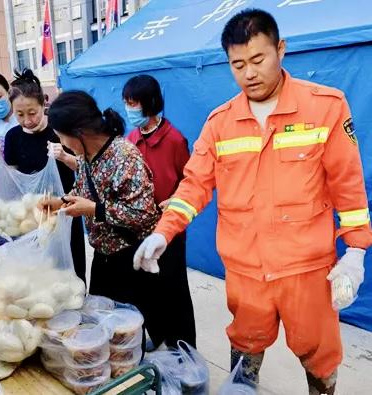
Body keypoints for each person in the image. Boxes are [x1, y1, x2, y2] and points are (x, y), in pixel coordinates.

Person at [133, 9, 372, 395]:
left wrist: (356, 250)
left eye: (258, 60)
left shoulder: (325, 107)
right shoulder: (220, 123)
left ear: (281, 49)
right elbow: (194, 184)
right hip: (245, 271)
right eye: (238, 64)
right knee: (245, 348)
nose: (249, 73)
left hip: (306, 271)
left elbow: (347, 182)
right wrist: (164, 233)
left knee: (320, 357)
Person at [42, 90, 166, 347]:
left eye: (63, 137)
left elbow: (144, 214)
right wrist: (61, 202)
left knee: (126, 331)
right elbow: (85, 190)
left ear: (79, 132)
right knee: (101, 324)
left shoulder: (124, 156)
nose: (63, 143)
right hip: (104, 256)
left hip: (130, 258)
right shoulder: (87, 156)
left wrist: (94, 210)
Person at [123, 74, 195, 349]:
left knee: (173, 288)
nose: (130, 109)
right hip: (140, 227)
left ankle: (185, 348)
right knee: (145, 288)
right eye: (127, 103)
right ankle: (159, 333)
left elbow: (190, 180)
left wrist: (175, 199)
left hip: (169, 227)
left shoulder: (174, 139)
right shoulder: (131, 138)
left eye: (135, 104)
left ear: (151, 104)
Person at [3, 68, 86, 282]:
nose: (27, 120)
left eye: (32, 112)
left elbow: (86, 169)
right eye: (19, 114)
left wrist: (65, 157)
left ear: (43, 105)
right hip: (33, 214)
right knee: (40, 272)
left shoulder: (61, 131)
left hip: (66, 209)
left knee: (71, 267)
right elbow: (13, 178)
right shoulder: (13, 137)